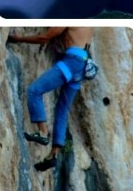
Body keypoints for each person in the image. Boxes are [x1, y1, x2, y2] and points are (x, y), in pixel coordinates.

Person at [7, 27, 94, 172]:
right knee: (62, 109)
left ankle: (42, 132)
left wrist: (18, 39)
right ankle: (54, 154)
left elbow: (44, 38)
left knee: (34, 90)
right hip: (82, 66)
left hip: (71, 62)